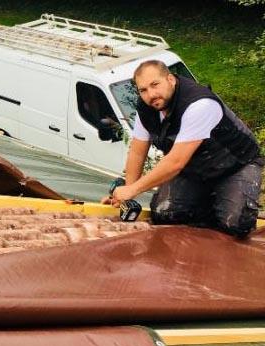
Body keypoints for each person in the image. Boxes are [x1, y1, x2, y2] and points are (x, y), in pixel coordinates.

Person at [102, 60, 263, 238]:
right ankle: (207, 203)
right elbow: (137, 152)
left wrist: (133, 190)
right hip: (193, 167)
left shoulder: (199, 104)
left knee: (235, 224)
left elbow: (175, 162)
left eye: (155, 84)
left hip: (236, 165)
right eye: (143, 90)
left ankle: (222, 203)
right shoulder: (146, 108)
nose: (151, 94)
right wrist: (126, 193)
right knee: (164, 214)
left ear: (170, 80)